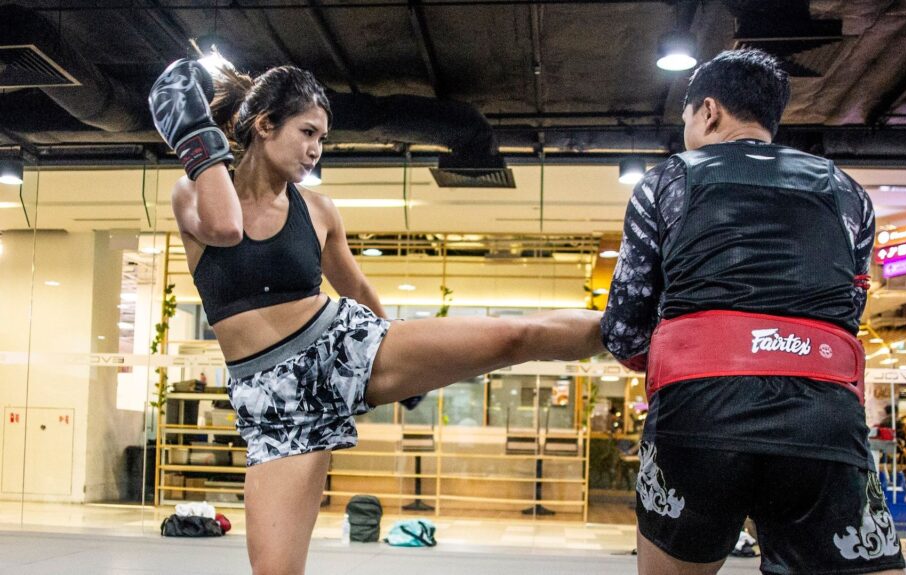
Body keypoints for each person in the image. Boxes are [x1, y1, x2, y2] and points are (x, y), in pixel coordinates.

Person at [148, 59, 604, 575]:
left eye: (322, 137)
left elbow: (357, 288)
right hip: (274, 401)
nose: (316, 149)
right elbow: (227, 229)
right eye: (307, 132)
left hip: (340, 347)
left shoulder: (318, 210)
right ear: (265, 125)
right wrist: (195, 134)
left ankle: (628, 326)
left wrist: (396, 347)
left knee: (514, 337)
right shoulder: (193, 192)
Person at [601, 49, 906, 575]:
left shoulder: (667, 181)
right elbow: (848, 310)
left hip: (700, 412)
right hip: (821, 416)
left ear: (709, 112)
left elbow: (625, 328)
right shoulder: (846, 191)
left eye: (686, 119)